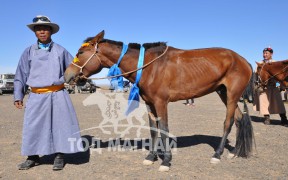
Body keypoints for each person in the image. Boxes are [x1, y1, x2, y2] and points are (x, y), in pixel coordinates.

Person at [14, 15, 83, 171]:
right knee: (33, 126)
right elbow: (21, 74)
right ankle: (32, 157)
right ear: (35, 33)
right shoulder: (28, 52)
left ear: (51, 31)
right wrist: (18, 95)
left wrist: (79, 77)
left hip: (58, 94)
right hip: (36, 95)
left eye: (45, 28)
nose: (42, 32)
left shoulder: (61, 51)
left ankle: (59, 156)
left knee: (60, 125)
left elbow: (72, 69)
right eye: (38, 29)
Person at [253, 47, 288, 127]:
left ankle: (283, 118)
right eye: (264, 53)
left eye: (267, 53)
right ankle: (267, 118)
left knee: (279, 103)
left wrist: (280, 85)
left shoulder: (275, 63)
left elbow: (280, 76)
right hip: (263, 87)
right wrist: (256, 85)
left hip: (273, 86)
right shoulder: (259, 64)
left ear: (271, 54)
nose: (265, 55)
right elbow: (256, 75)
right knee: (264, 103)